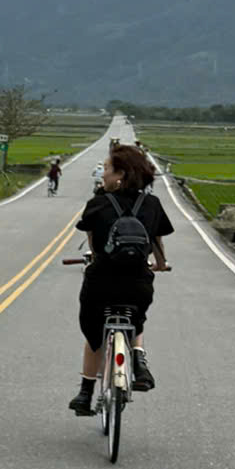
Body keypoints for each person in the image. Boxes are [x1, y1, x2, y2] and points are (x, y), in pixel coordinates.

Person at [69, 140, 173, 410]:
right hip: (137, 283)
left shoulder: (98, 203)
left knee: (94, 333)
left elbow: (92, 242)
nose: (103, 173)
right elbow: (156, 243)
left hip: (101, 282)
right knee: (135, 317)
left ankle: (84, 394)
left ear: (120, 174)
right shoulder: (151, 203)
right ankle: (139, 362)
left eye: (107, 168)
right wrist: (160, 265)